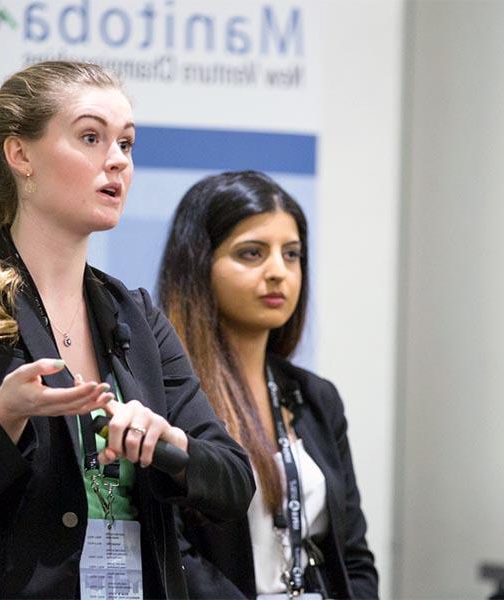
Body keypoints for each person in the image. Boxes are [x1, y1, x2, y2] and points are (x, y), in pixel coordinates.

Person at [0, 61, 254, 599]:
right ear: (21, 155)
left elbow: (233, 481)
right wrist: (3, 419)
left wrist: (167, 442)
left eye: (126, 144)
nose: (117, 162)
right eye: (90, 137)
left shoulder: (137, 315)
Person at [157, 171, 378, 599]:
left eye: (291, 254)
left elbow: (353, 557)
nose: (279, 272)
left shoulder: (316, 398)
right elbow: (173, 554)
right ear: (199, 264)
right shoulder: (166, 395)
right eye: (252, 253)